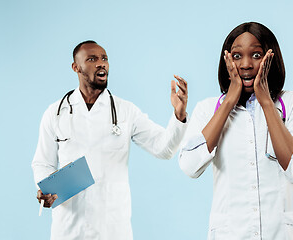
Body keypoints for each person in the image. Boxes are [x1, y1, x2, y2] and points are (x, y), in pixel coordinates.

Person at [32, 40, 188, 240]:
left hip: (113, 230)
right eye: (92, 59)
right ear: (76, 67)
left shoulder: (126, 111)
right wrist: (46, 189)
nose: (101, 63)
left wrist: (179, 115)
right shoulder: (55, 113)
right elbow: (42, 163)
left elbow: (164, 149)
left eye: (104, 58)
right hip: (69, 229)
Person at [178, 22, 293, 239]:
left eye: (257, 54)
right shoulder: (207, 109)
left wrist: (267, 103)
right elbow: (190, 166)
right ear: (227, 61)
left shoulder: (292, 103)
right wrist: (229, 101)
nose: (247, 64)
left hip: (280, 232)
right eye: (237, 56)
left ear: (271, 58)